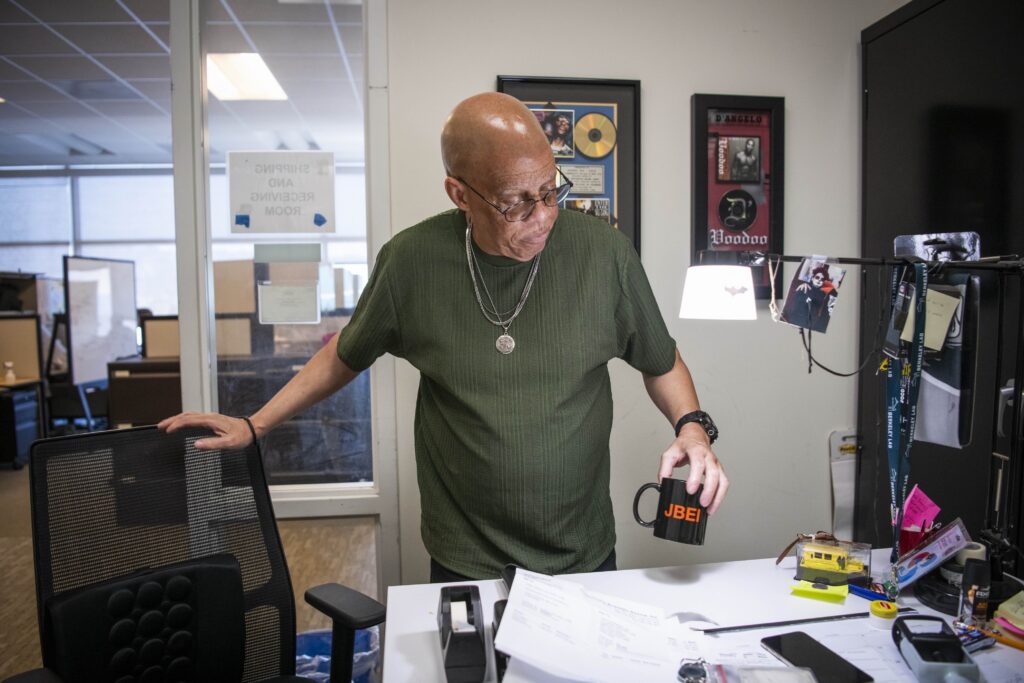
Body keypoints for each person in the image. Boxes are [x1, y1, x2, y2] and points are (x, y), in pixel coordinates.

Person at [159, 92, 728, 582]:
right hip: (465, 555)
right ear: (460, 195)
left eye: (550, 190)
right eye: (515, 203)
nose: (542, 216)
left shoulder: (604, 256)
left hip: (580, 551)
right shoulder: (411, 262)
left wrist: (693, 431)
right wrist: (257, 424)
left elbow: (661, 360)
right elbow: (346, 354)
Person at [786, 264, 838, 333]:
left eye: (822, 279)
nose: (819, 280)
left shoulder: (823, 290)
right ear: (813, 278)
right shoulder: (804, 287)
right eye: (817, 277)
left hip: (811, 325)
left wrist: (830, 281)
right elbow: (795, 308)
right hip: (797, 321)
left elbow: (835, 293)